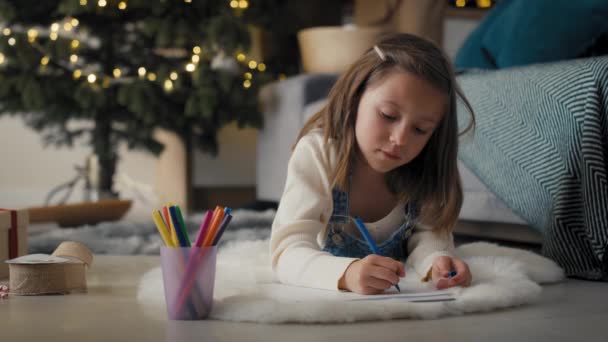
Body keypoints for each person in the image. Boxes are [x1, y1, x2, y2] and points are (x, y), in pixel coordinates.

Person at [270, 33, 476, 295]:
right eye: (388, 115)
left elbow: (428, 234)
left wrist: (435, 261)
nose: (400, 139)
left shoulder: (426, 163)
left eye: (421, 129)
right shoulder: (318, 153)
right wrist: (347, 274)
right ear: (355, 98)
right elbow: (286, 251)